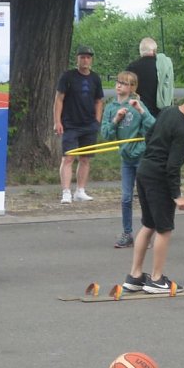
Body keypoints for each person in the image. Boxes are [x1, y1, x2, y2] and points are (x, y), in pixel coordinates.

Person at [122, 86, 184, 294]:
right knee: (164, 229)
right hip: (159, 178)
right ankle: (156, 279)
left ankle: (135, 275)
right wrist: (177, 195)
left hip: (144, 170)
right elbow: (172, 166)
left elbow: (149, 136)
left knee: (148, 224)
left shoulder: (168, 111)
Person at [100, 70, 156, 248]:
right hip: (126, 159)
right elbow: (106, 135)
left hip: (141, 157)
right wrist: (116, 119)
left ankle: (146, 233)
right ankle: (127, 233)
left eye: (123, 83)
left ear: (132, 87)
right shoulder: (110, 108)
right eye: (118, 82)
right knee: (125, 198)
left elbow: (153, 128)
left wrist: (140, 110)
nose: (118, 85)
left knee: (145, 196)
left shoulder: (137, 105)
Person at [53, 45, 104, 204]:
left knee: (85, 159)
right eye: (82, 57)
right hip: (70, 124)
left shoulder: (95, 78)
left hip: (89, 124)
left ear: (91, 60)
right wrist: (57, 121)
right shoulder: (68, 76)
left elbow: (99, 101)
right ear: (77, 59)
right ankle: (66, 192)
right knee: (68, 158)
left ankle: (80, 190)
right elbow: (59, 99)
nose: (85, 60)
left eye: (88, 57)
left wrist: (97, 120)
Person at [126, 37, 174, 118]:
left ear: (140, 51)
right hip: (160, 112)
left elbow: (127, 90)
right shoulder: (162, 68)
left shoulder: (132, 67)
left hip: (139, 110)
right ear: (155, 51)